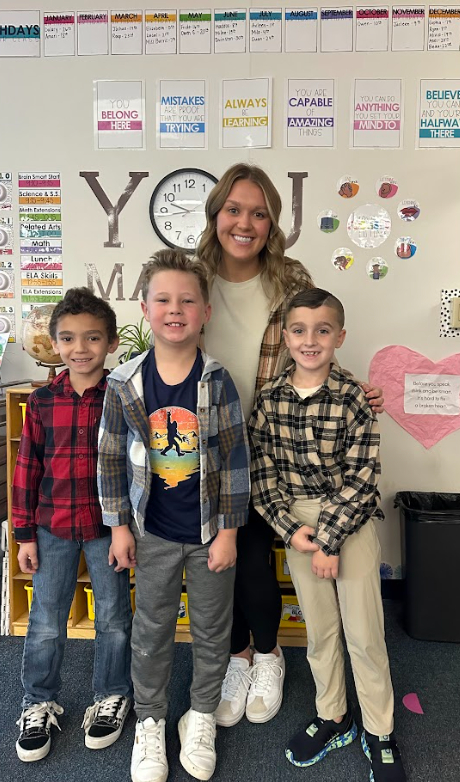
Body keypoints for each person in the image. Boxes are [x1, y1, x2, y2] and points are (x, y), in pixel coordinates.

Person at [197, 162, 384, 728]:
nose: (245, 222)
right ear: (216, 215)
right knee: (215, 557)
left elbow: (313, 334)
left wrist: (349, 389)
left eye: (259, 212)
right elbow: (167, 333)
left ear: (272, 221)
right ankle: (237, 657)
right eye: (234, 209)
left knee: (255, 556)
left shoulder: (289, 276)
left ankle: (269, 653)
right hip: (205, 440)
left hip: (274, 437)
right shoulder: (194, 275)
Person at [97, 249, 250, 782]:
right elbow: (111, 457)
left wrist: (228, 533)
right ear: (144, 308)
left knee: (212, 631)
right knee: (152, 630)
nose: (175, 309)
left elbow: (233, 458)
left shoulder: (217, 379)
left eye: (187, 299)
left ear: (206, 311)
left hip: (210, 534)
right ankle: (151, 722)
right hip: (153, 532)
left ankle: (201, 716)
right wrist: (118, 527)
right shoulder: (123, 384)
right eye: (163, 299)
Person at [249, 288, 406, 782]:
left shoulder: (355, 397)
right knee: (320, 631)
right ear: (285, 337)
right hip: (296, 524)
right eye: (299, 330)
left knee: (363, 633)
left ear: (340, 336)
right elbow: (263, 473)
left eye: (322, 331)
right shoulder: (270, 399)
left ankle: (379, 728)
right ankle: (333, 714)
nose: (310, 340)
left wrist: (330, 541)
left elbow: (363, 477)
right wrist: (294, 532)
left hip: (350, 522)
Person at [12, 288, 133, 762]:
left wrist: (131, 526)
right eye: (68, 339)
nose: (79, 348)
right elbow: (27, 469)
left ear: (111, 342)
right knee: (45, 621)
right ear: (55, 343)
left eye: (92, 338)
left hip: (108, 529)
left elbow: (135, 465)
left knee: (114, 619)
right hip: (52, 528)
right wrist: (23, 534)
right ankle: (37, 701)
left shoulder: (124, 397)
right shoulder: (42, 401)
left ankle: (111, 694)